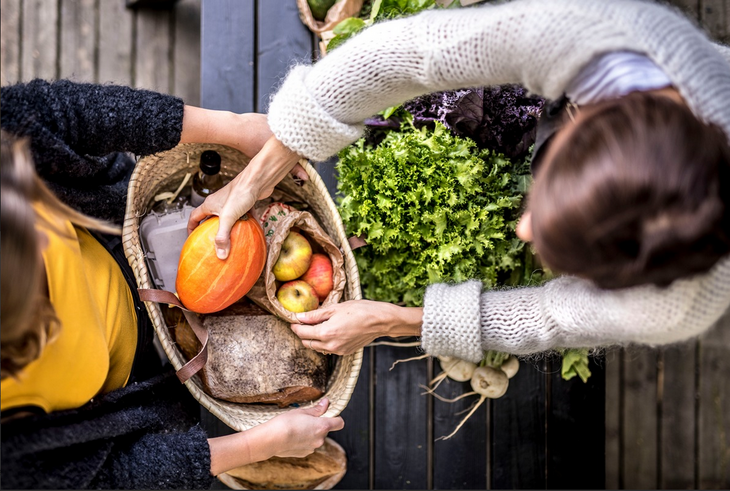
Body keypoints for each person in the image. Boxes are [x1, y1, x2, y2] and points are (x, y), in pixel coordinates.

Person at [189, 0, 730, 362]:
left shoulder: (677, 304)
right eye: (541, 201)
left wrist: (394, 320)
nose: (523, 229)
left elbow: (550, 317)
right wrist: (256, 177)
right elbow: (402, 56)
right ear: (595, 115)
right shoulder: (602, 37)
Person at [0, 79, 343, 490]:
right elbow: (112, 478)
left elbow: (56, 113)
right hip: (130, 391)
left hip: (125, 239)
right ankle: (238, 453)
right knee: (190, 438)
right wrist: (256, 445)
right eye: (31, 243)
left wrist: (232, 127)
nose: (47, 231)